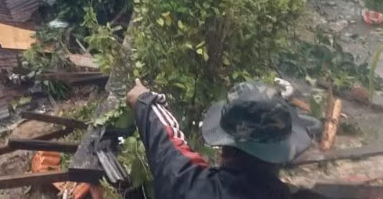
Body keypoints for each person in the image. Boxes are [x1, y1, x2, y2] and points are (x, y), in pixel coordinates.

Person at [127, 79, 322, 199]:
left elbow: (166, 143)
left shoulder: (186, 186)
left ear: (225, 147)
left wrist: (145, 101)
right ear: (283, 153)